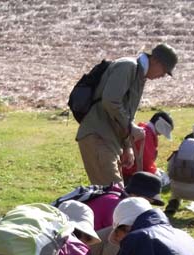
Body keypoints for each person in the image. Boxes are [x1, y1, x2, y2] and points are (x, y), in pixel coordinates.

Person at [76, 44, 178, 186]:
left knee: (113, 195)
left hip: (110, 140)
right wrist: (131, 127)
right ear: (155, 61)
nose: (162, 76)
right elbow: (110, 101)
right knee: (114, 197)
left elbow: (126, 114)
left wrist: (127, 146)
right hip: (98, 137)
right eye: (164, 71)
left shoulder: (139, 75)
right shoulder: (128, 66)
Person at [122, 111, 174, 184]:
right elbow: (146, 162)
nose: (161, 134)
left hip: (130, 171)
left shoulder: (145, 131)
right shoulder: (147, 135)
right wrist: (155, 171)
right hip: (132, 174)